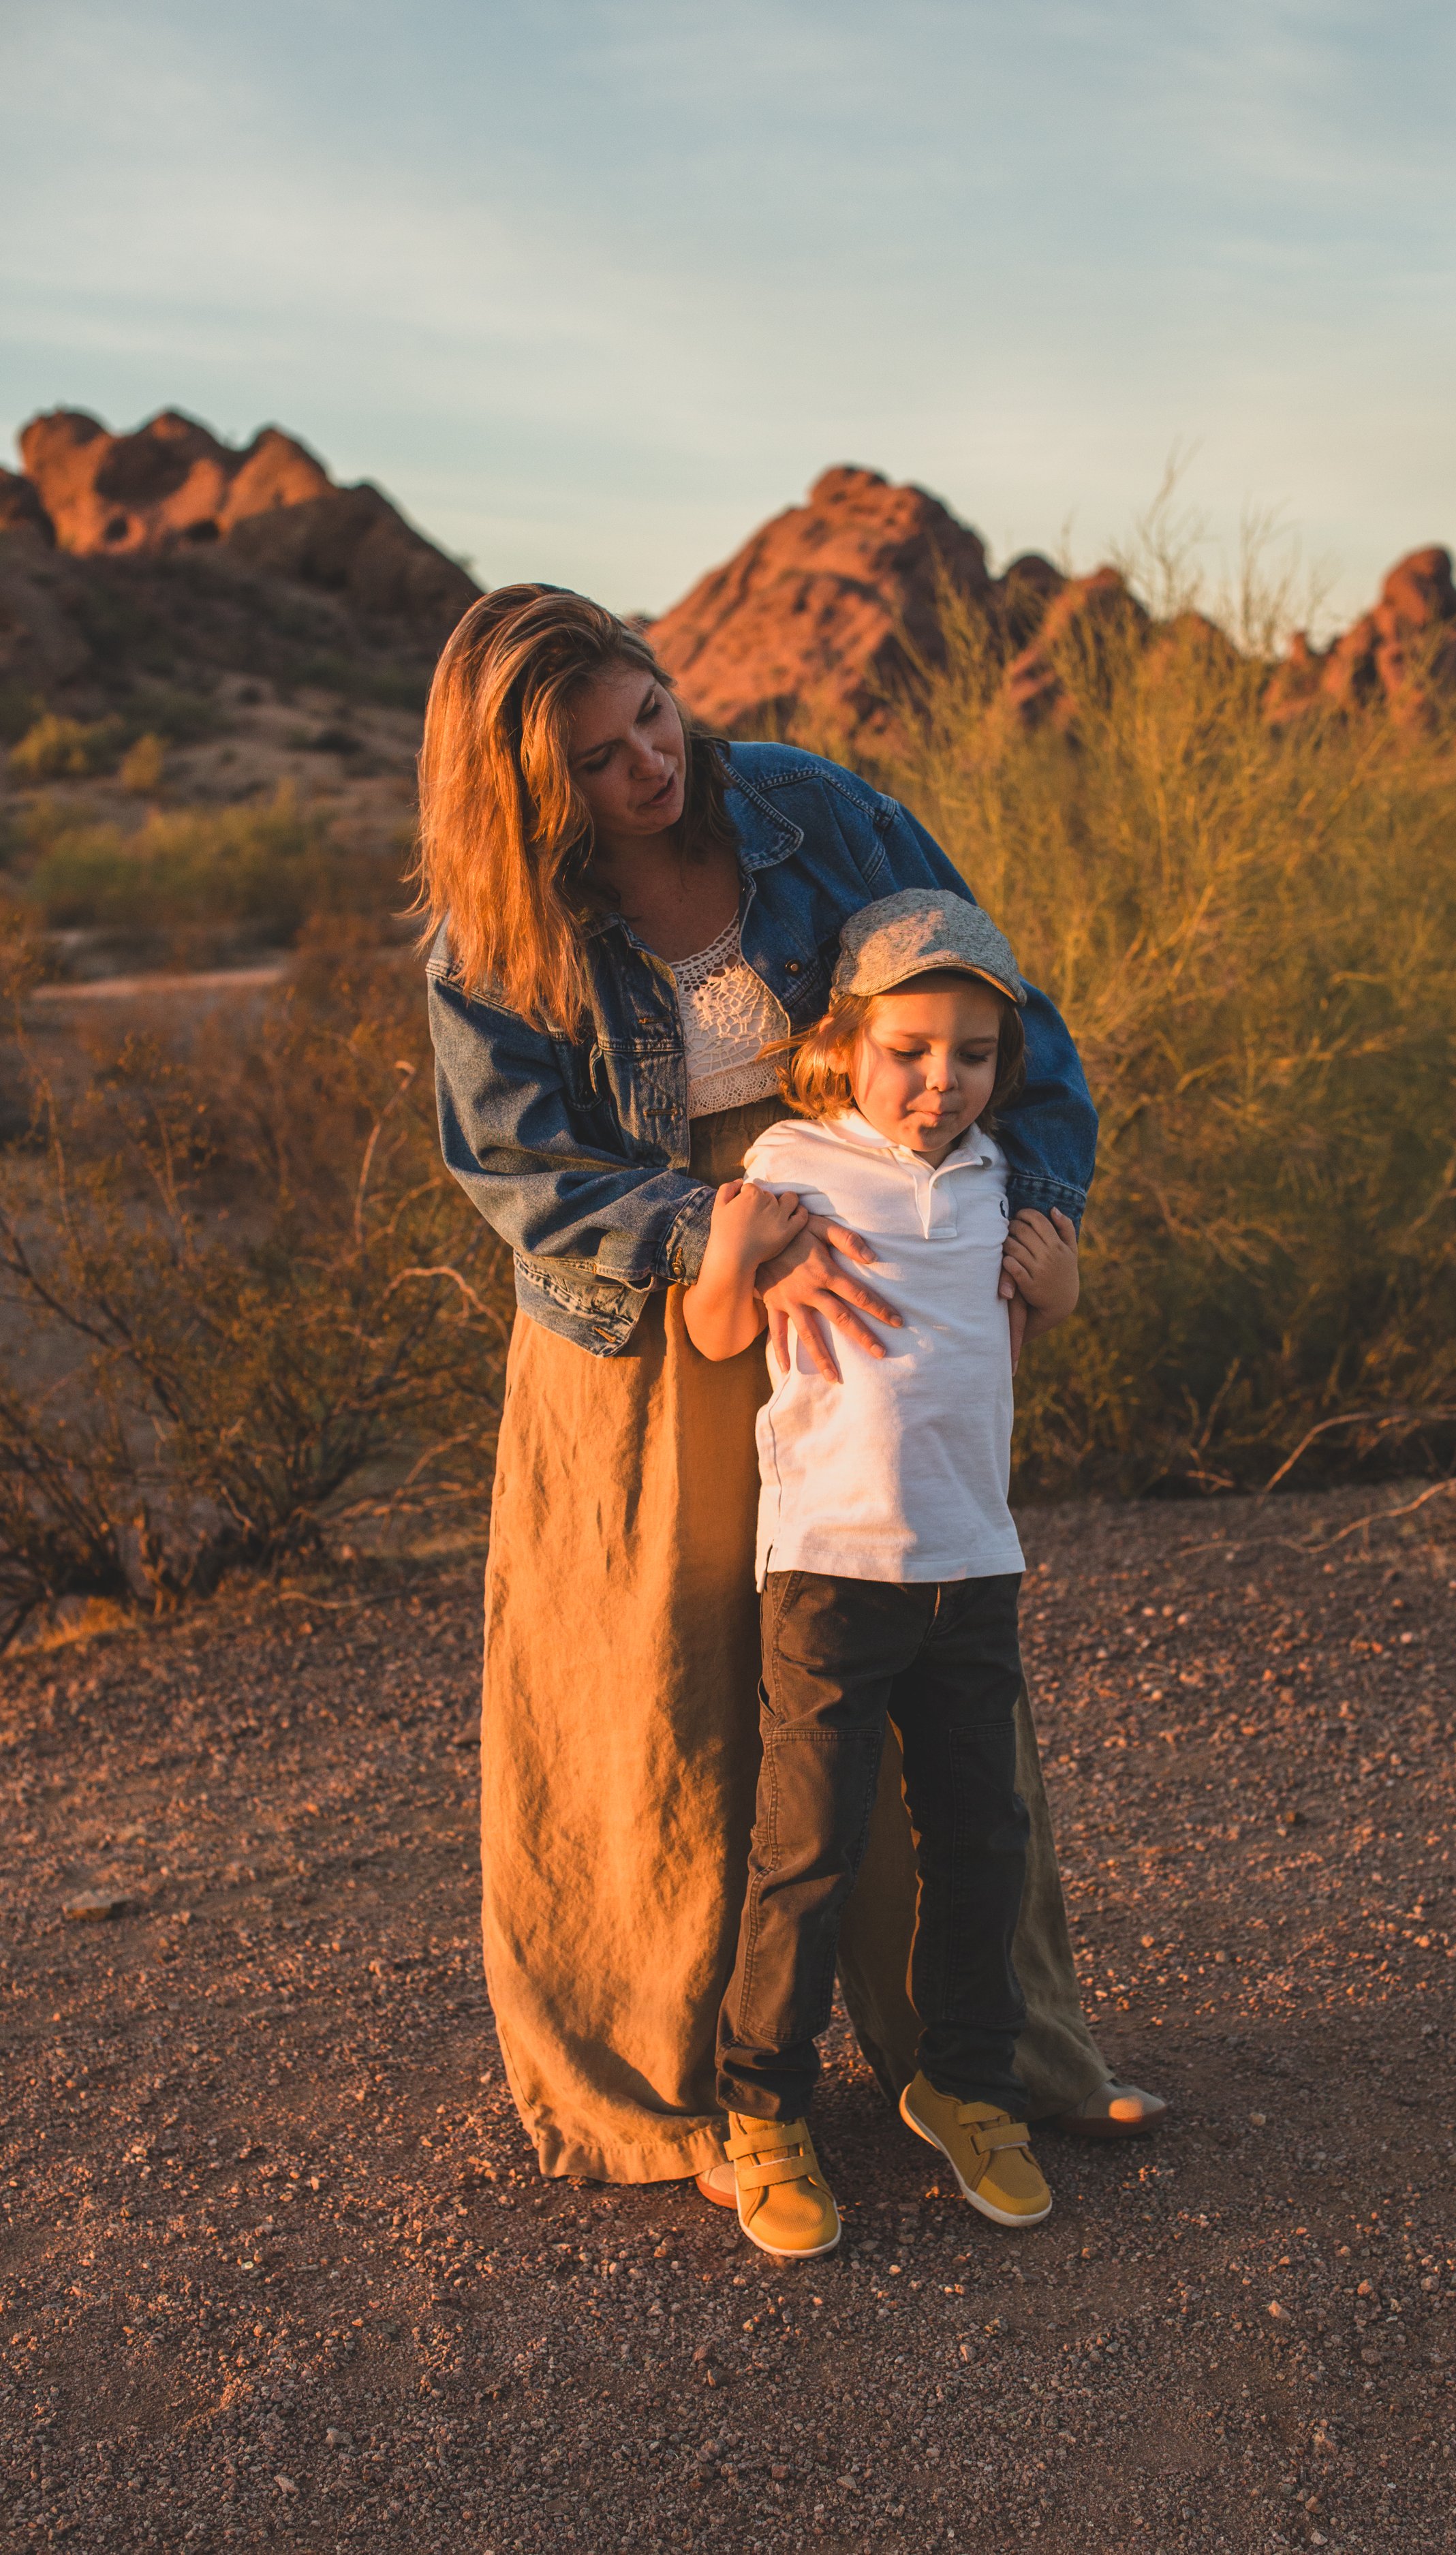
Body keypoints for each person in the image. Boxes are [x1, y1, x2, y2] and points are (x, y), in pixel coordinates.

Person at [419, 583, 1166, 2198]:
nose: (649, 769)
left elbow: (1007, 1022)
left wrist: (1035, 1218)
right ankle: (684, 2089)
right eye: (598, 761)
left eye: (653, 718)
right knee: (665, 1700)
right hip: (647, 1332)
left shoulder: (816, 813)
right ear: (525, 792)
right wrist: (716, 1232)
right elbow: (513, 1164)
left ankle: (988, 2054)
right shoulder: (494, 934)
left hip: (880, 1291)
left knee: (913, 1663)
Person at [683, 891, 1083, 2259]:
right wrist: (729, 1257)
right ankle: (764, 2117)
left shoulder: (993, 1185)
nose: (938, 1080)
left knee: (980, 1843)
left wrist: (1059, 1293)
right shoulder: (794, 1162)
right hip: (830, 1571)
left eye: (970, 1055)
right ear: (848, 1047)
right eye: (909, 1048)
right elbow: (719, 1327)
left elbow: (992, 1365)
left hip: (971, 1564)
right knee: (806, 1853)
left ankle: (964, 2088)